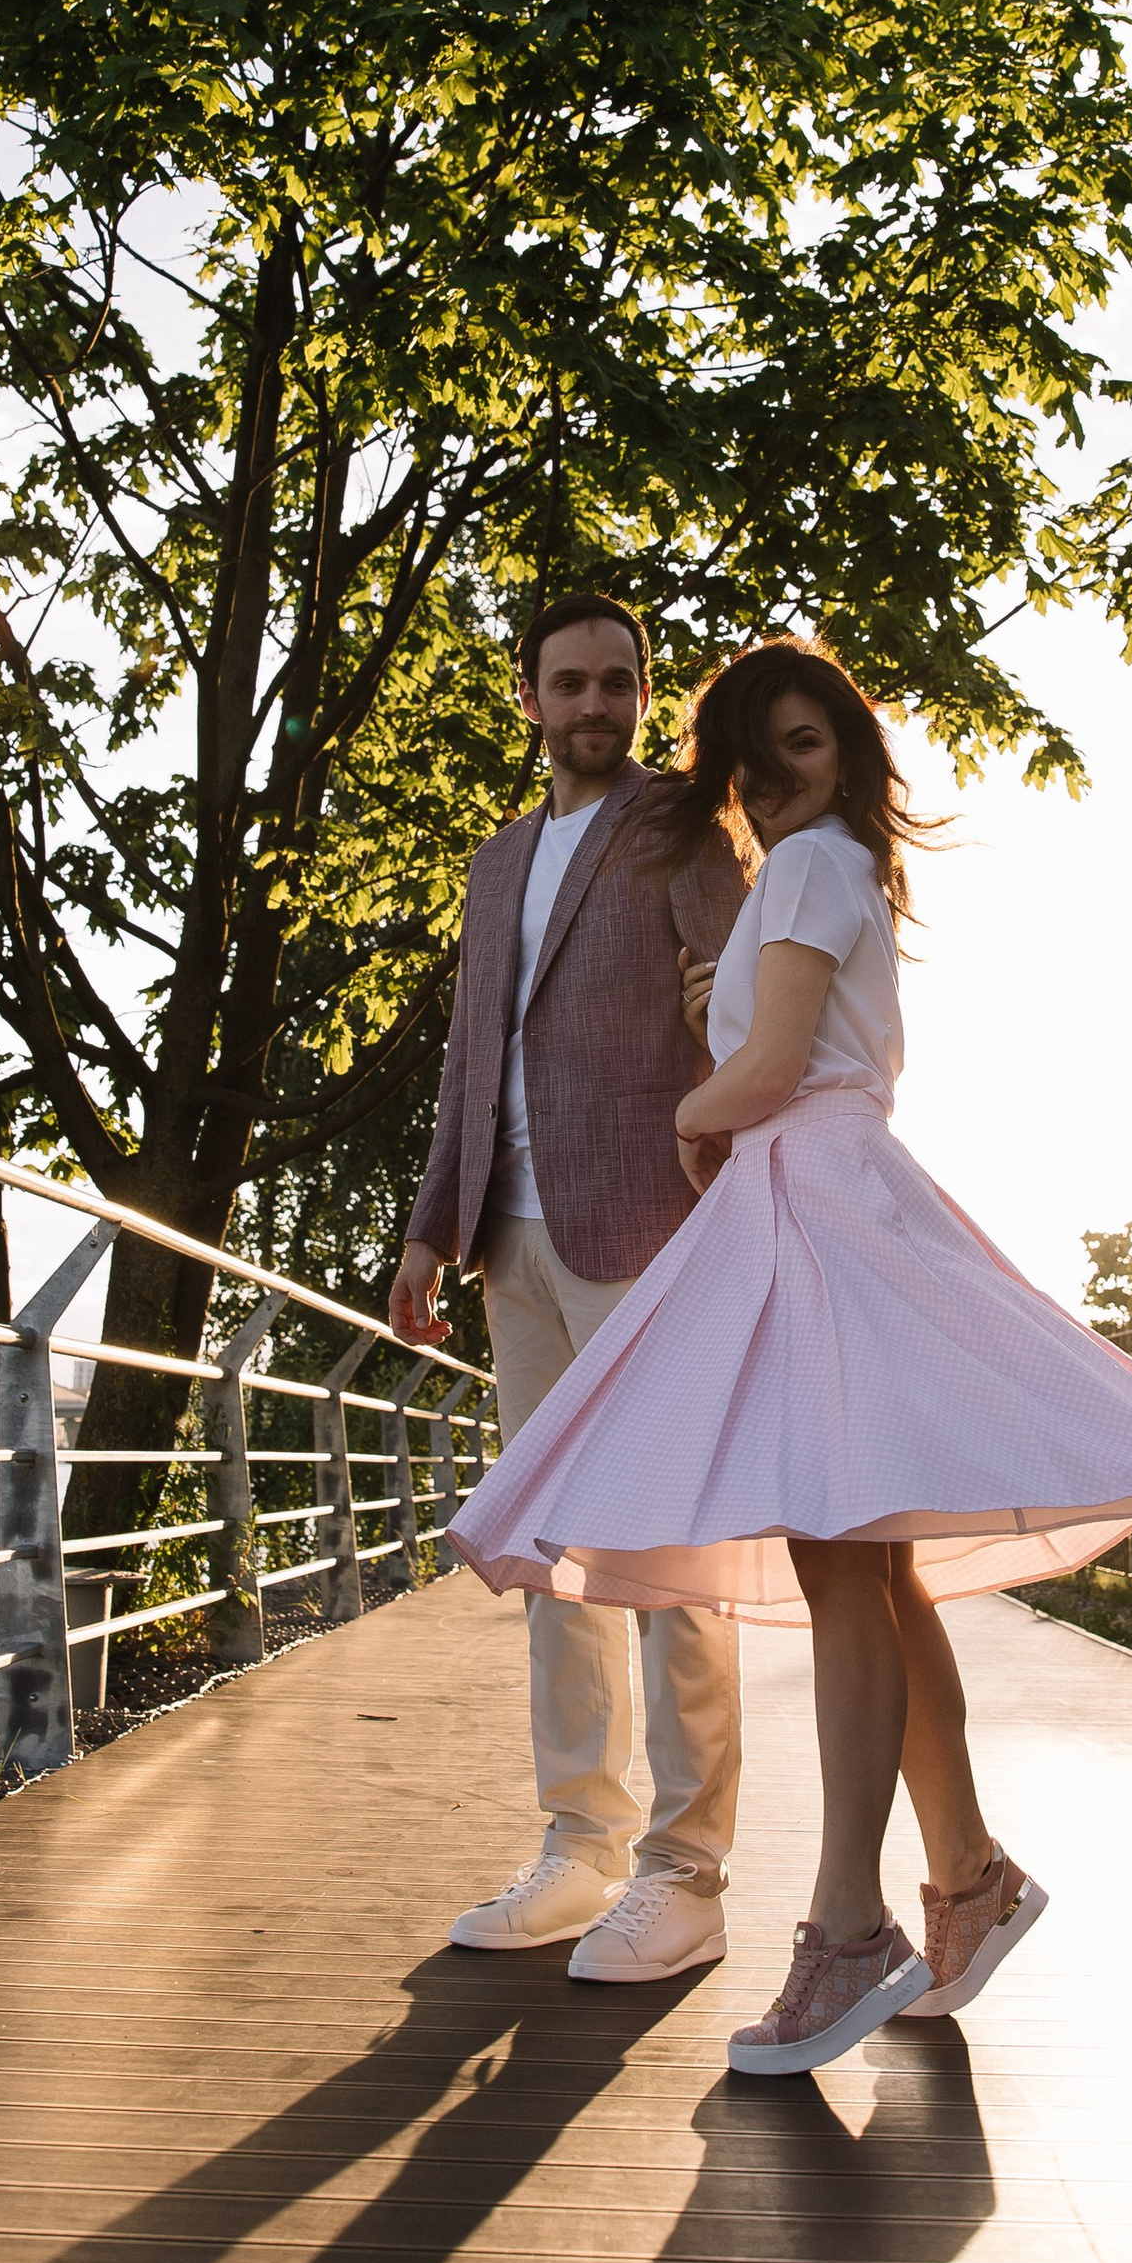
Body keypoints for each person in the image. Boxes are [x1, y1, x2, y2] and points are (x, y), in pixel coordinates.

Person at [448, 639, 1132, 2078]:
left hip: (813, 1204)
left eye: (802, 748)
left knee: (845, 1562)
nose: (772, 778)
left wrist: (696, 1115)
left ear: (848, 760)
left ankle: (848, 1924)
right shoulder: (813, 872)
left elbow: (768, 1071)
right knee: (872, 1572)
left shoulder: (813, 867)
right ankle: (967, 1876)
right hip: (820, 1199)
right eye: (751, 758)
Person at [391, 592, 751, 1982]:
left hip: (653, 1227)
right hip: (514, 1245)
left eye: (620, 683)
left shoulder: (683, 829)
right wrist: (431, 1228)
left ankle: (687, 1871)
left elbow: (740, 1003)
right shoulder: (495, 866)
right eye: (570, 684)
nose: (596, 705)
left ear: (642, 697)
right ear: (529, 702)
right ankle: (576, 1845)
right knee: (555, 1565)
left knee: (668, 1556)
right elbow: (467, 1063)